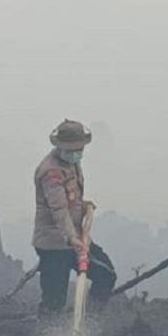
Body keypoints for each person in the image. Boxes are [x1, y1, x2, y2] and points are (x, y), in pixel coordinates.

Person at [32, 120, 116, 319]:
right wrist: (72, 239)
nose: (75, 152)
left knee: (105, 275)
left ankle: (89, 322)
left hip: (77, 239)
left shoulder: (72, 163)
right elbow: (59, 210)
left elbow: (69, 200)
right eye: (71, 149)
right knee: (54, 300)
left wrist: (84, 205)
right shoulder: (51, 171)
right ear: (59, 146)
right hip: (55, 244)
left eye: (79, 149)